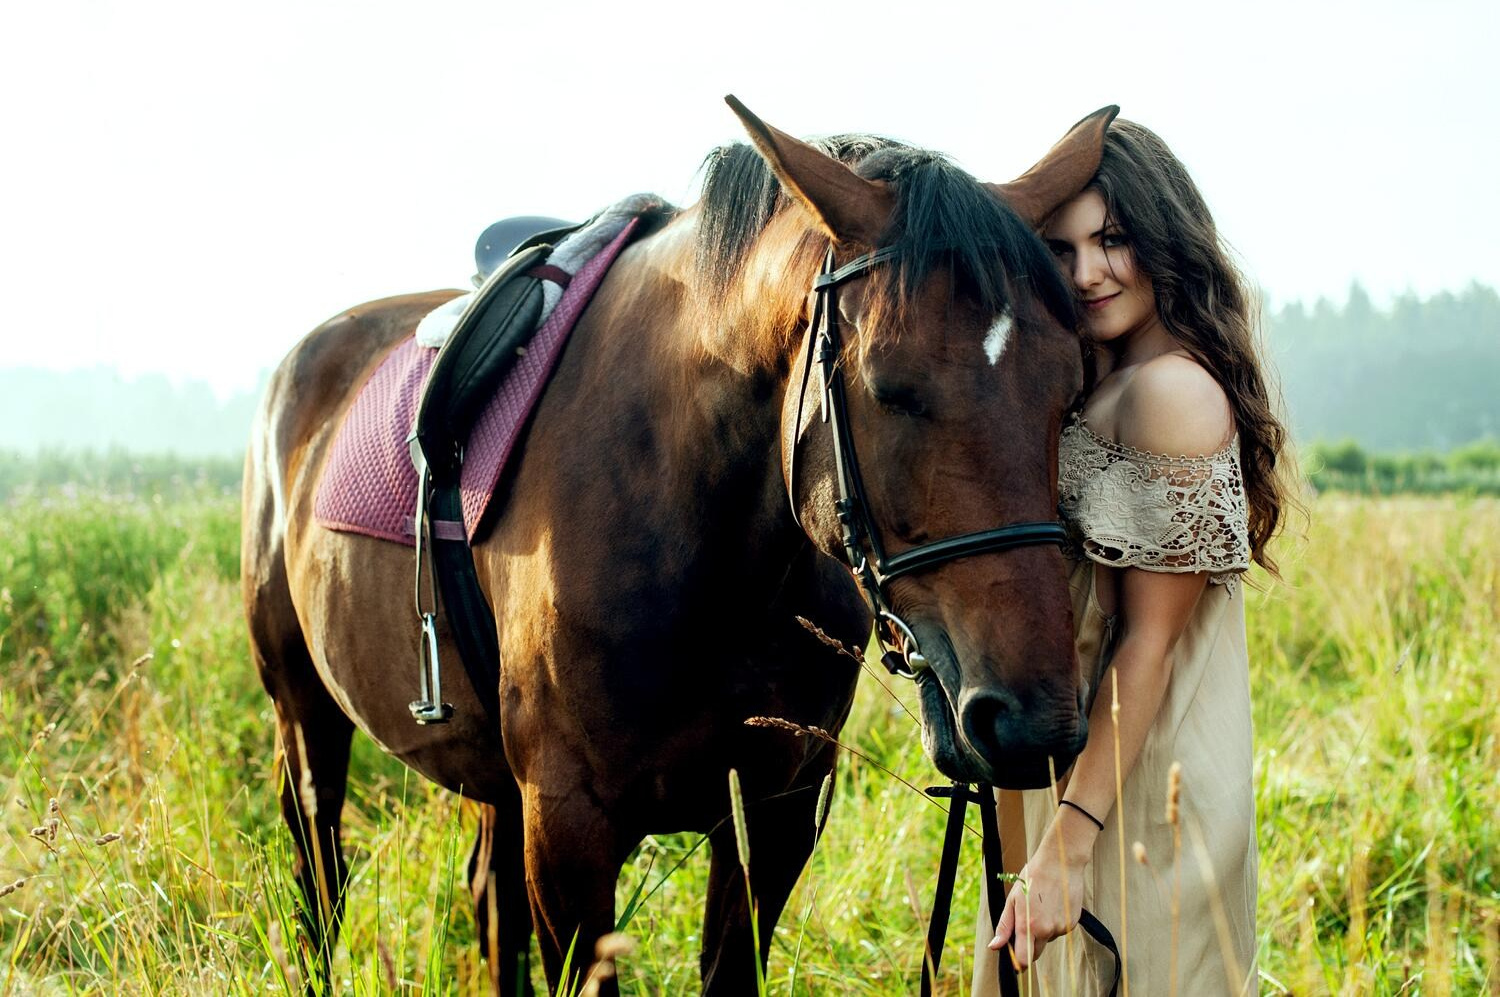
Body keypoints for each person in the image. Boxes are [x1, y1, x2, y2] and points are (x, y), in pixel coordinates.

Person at [971, 119, 1295, 996]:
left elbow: (1147, 644)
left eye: (1113, 239)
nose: (1086, 273)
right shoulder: (1100, 383)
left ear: (1163, 237)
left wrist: (1068, 843)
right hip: (1078, 778)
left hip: (1140, 791)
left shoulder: (1174, 393)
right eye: (1062, 248)